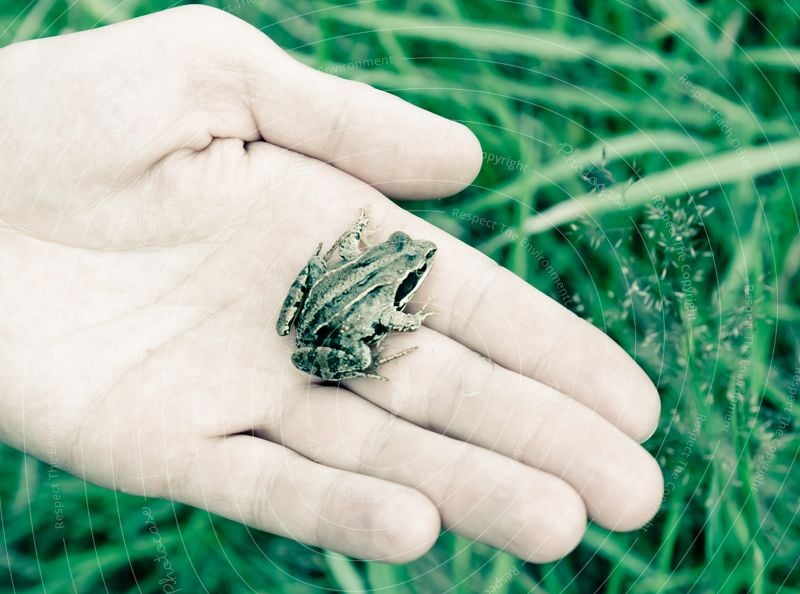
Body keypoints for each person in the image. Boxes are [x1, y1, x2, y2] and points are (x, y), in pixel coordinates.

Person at [0, 5, 663, 564]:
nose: (417, 258)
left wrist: (342, 264)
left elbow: (358, 287)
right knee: (370, 351)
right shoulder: (398, 294)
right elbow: (390, 319)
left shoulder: (382, 261)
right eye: (413, 265)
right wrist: (400, 329)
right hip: (327, 327)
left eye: (410, 260)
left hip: (314, 301)